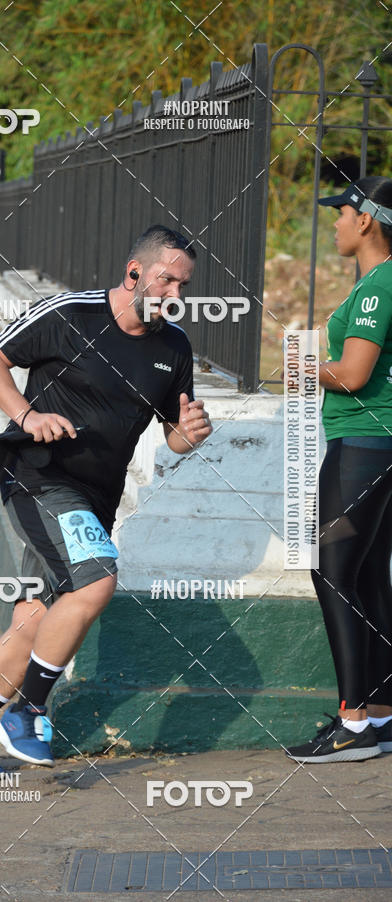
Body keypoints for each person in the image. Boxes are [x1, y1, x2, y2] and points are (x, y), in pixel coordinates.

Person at [0, 224, 213, 781]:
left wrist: (188, 434)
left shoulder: (174, 347)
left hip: (95, 500)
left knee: (35, 621)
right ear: (134, 272)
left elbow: (173, 435)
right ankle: (28, 711)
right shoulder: (70, 314)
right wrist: (28, 415)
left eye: (184, 285)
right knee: (97, 579)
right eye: (166, 280)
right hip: (38, 477)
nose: (174, 294)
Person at [286, 176, 392, 764]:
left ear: (367, 220)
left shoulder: (379, 285)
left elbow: (352, 374)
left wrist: (299, 362)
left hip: (363, 446)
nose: (334, 223)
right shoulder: (379, 282)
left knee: (331, 572)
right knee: (369, 574)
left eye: (341, 213)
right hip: (378, 445)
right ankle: (382, 713)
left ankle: (353, 725)